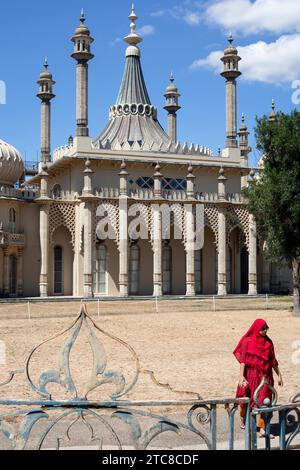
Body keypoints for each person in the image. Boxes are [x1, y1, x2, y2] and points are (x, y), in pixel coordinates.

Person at [233, 318, 283, 437]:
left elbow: (273, 361)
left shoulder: (268, 342)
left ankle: (263, 429)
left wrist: (279, 375)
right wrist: (241, 376)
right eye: (262, 329)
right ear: (256, 329)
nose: (265, 331)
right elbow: (243, 361)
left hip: (265, 378)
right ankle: (243, 419)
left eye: (266, 328)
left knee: (264, 401)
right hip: (250, 375)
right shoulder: (247, 341)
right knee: (245, 401)